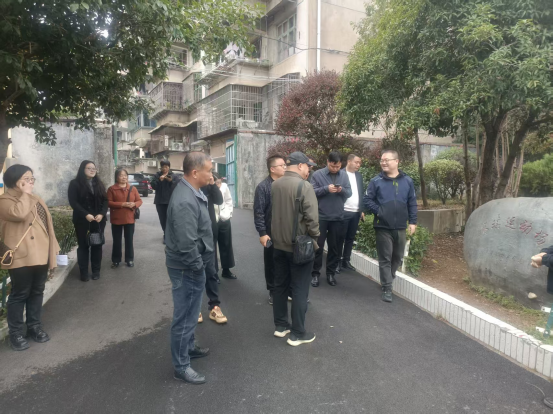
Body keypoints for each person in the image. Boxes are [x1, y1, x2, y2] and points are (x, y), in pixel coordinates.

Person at [0, 165, 60, 352]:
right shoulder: (4, 201)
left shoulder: (36, 198)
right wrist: (25, 194)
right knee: (20, 294)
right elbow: (18, 214)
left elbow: (47, 226)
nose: (31, 182)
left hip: (40, 254)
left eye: (32, 178)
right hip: (21, 256)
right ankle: (16, 333)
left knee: (37, 291)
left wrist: (53, 250)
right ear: (14, 181)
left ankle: (34, 327)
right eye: (26, 178)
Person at [166, 152, 214, 385]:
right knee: (185, 317)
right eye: (209, 171)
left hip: (190, 266)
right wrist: (198, 267)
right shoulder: (185, 200)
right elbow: (186, 244)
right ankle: (181, 366)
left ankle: (189, 347)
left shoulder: (191, 191)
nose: (212, 175)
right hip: (187, 267)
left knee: (190, 313)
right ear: (195, 172)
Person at [271, 152, 320, 347]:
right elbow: (312, 219)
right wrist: (314, 238)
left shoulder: (275, 185)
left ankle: (281, 326)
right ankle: (298, 333)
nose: (309, 169)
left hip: (278, 245)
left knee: (280, 286)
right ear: (300, 166)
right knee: (300, 289)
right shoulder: (304, 186)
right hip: (299, 247)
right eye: (308, 166)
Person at [364, 150, 418, 303]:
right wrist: (379, 211)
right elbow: (367, 200)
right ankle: (387, 287)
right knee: (385, 258)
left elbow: (412, 202)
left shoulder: (407, 181)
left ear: (396, 161)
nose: (383, 163)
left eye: (387, 160)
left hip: (400, 226)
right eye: (382, 160)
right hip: (382, 226)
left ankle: (389, 276)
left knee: (398, 257)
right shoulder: (376, 181)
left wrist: (412, 222)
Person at [310, 152, 352, 287]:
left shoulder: (344, 175)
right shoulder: (317, 175)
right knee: (318, 247)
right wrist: (326, 189)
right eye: (333, 166)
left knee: (334, 247)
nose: (335, 169)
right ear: (327, 162)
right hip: (321, 216)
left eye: (338, 166)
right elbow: (311, 192)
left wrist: (341, 190)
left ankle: (330, 273)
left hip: (337, 216)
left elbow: (349, 192)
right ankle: (315, 274)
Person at [254, 154, 287, 305]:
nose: (285, 167)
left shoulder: (287, 184)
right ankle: (273, 291)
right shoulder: (263, 187)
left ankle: (287, 290)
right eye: (282, 165)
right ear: (272, 169)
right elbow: (259, 212)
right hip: (271, 232)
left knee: (286, 262)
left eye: (285, 165)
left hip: (286, 231)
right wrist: (262, 233)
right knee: (271, 263)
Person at [68, 161, 108, 282]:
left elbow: (105, 200)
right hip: (82, 220)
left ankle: (96, 271)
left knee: (97, 245)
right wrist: (85, 214)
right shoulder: (74, 184)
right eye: (89, 168)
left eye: (94, 168)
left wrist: (102, 214)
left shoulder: (99, 183)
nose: (92, 170)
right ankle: (84, 272)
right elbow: (73, 202)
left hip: (98, 220)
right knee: (83, 246)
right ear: (82, 169)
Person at [199, 173, 228, 325]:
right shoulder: (189, 188)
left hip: (209, 232)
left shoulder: (209, 187)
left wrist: (212, 184)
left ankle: (215, 306)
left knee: (211, 271)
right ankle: (195, 308)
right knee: (194, 272)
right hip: (193, 235)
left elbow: (219, 200)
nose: (209, 174)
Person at [107, 169, 143, 269]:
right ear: (116, 177)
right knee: (117, 241)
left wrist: (134, 204)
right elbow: (109, 202)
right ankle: (116, 260)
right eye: (121, 175)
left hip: (129, 218)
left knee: (129, 240)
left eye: (125, 175)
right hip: (116, 219)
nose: (124, 177)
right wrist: (122, 204)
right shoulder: (112, 189)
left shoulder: (132, 188)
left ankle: (129, 259)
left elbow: (139, 201)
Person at [336, 154, 365, 273]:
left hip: (356, 212)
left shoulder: (359, 176)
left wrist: (361, 210)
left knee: (350, 238)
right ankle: (337, 261)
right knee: (340, 238)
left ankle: (346, 260)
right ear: (349, 161)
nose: (358, 165)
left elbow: (361, 193)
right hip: (343, 211)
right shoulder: (340, 174)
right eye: (356, 162)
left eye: (360, 163)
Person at [213, 175, 237, 280]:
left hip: (224, 219)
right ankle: (213, 273)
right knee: (212, 247)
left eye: (219, 182)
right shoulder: (208, 188)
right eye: (216, 183)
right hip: (212, 220)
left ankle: (226, 270)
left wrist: (229, 213)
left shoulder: (224, 187)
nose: (218, 185)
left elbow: (228, 200)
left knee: (226, 244)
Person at [150, 160, 174, 244]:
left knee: (170, 219)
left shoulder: (172, 175)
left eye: (166, 167)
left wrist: (171, 181)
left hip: (170, 201)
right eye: (163, 167)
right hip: (160, 201)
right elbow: (153, 186)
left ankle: (171, 235)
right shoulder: (157, 175)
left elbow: (176, 184)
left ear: (169, 167)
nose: (164, 169)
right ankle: (166, 235)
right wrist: (159, 180)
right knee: (163, 219)